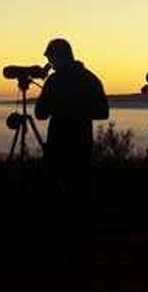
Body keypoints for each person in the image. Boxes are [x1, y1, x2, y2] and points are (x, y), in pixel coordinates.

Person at [35, 38, 109, 210]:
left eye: (51, 59)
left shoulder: (54, 81)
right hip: (82, 145)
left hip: (59, 145)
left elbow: (40, 113)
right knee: (81, 193)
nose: (50, 64)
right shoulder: (90, 78)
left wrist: (63, 104)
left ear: (59, 57)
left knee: (57, 195)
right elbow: (103, 111)